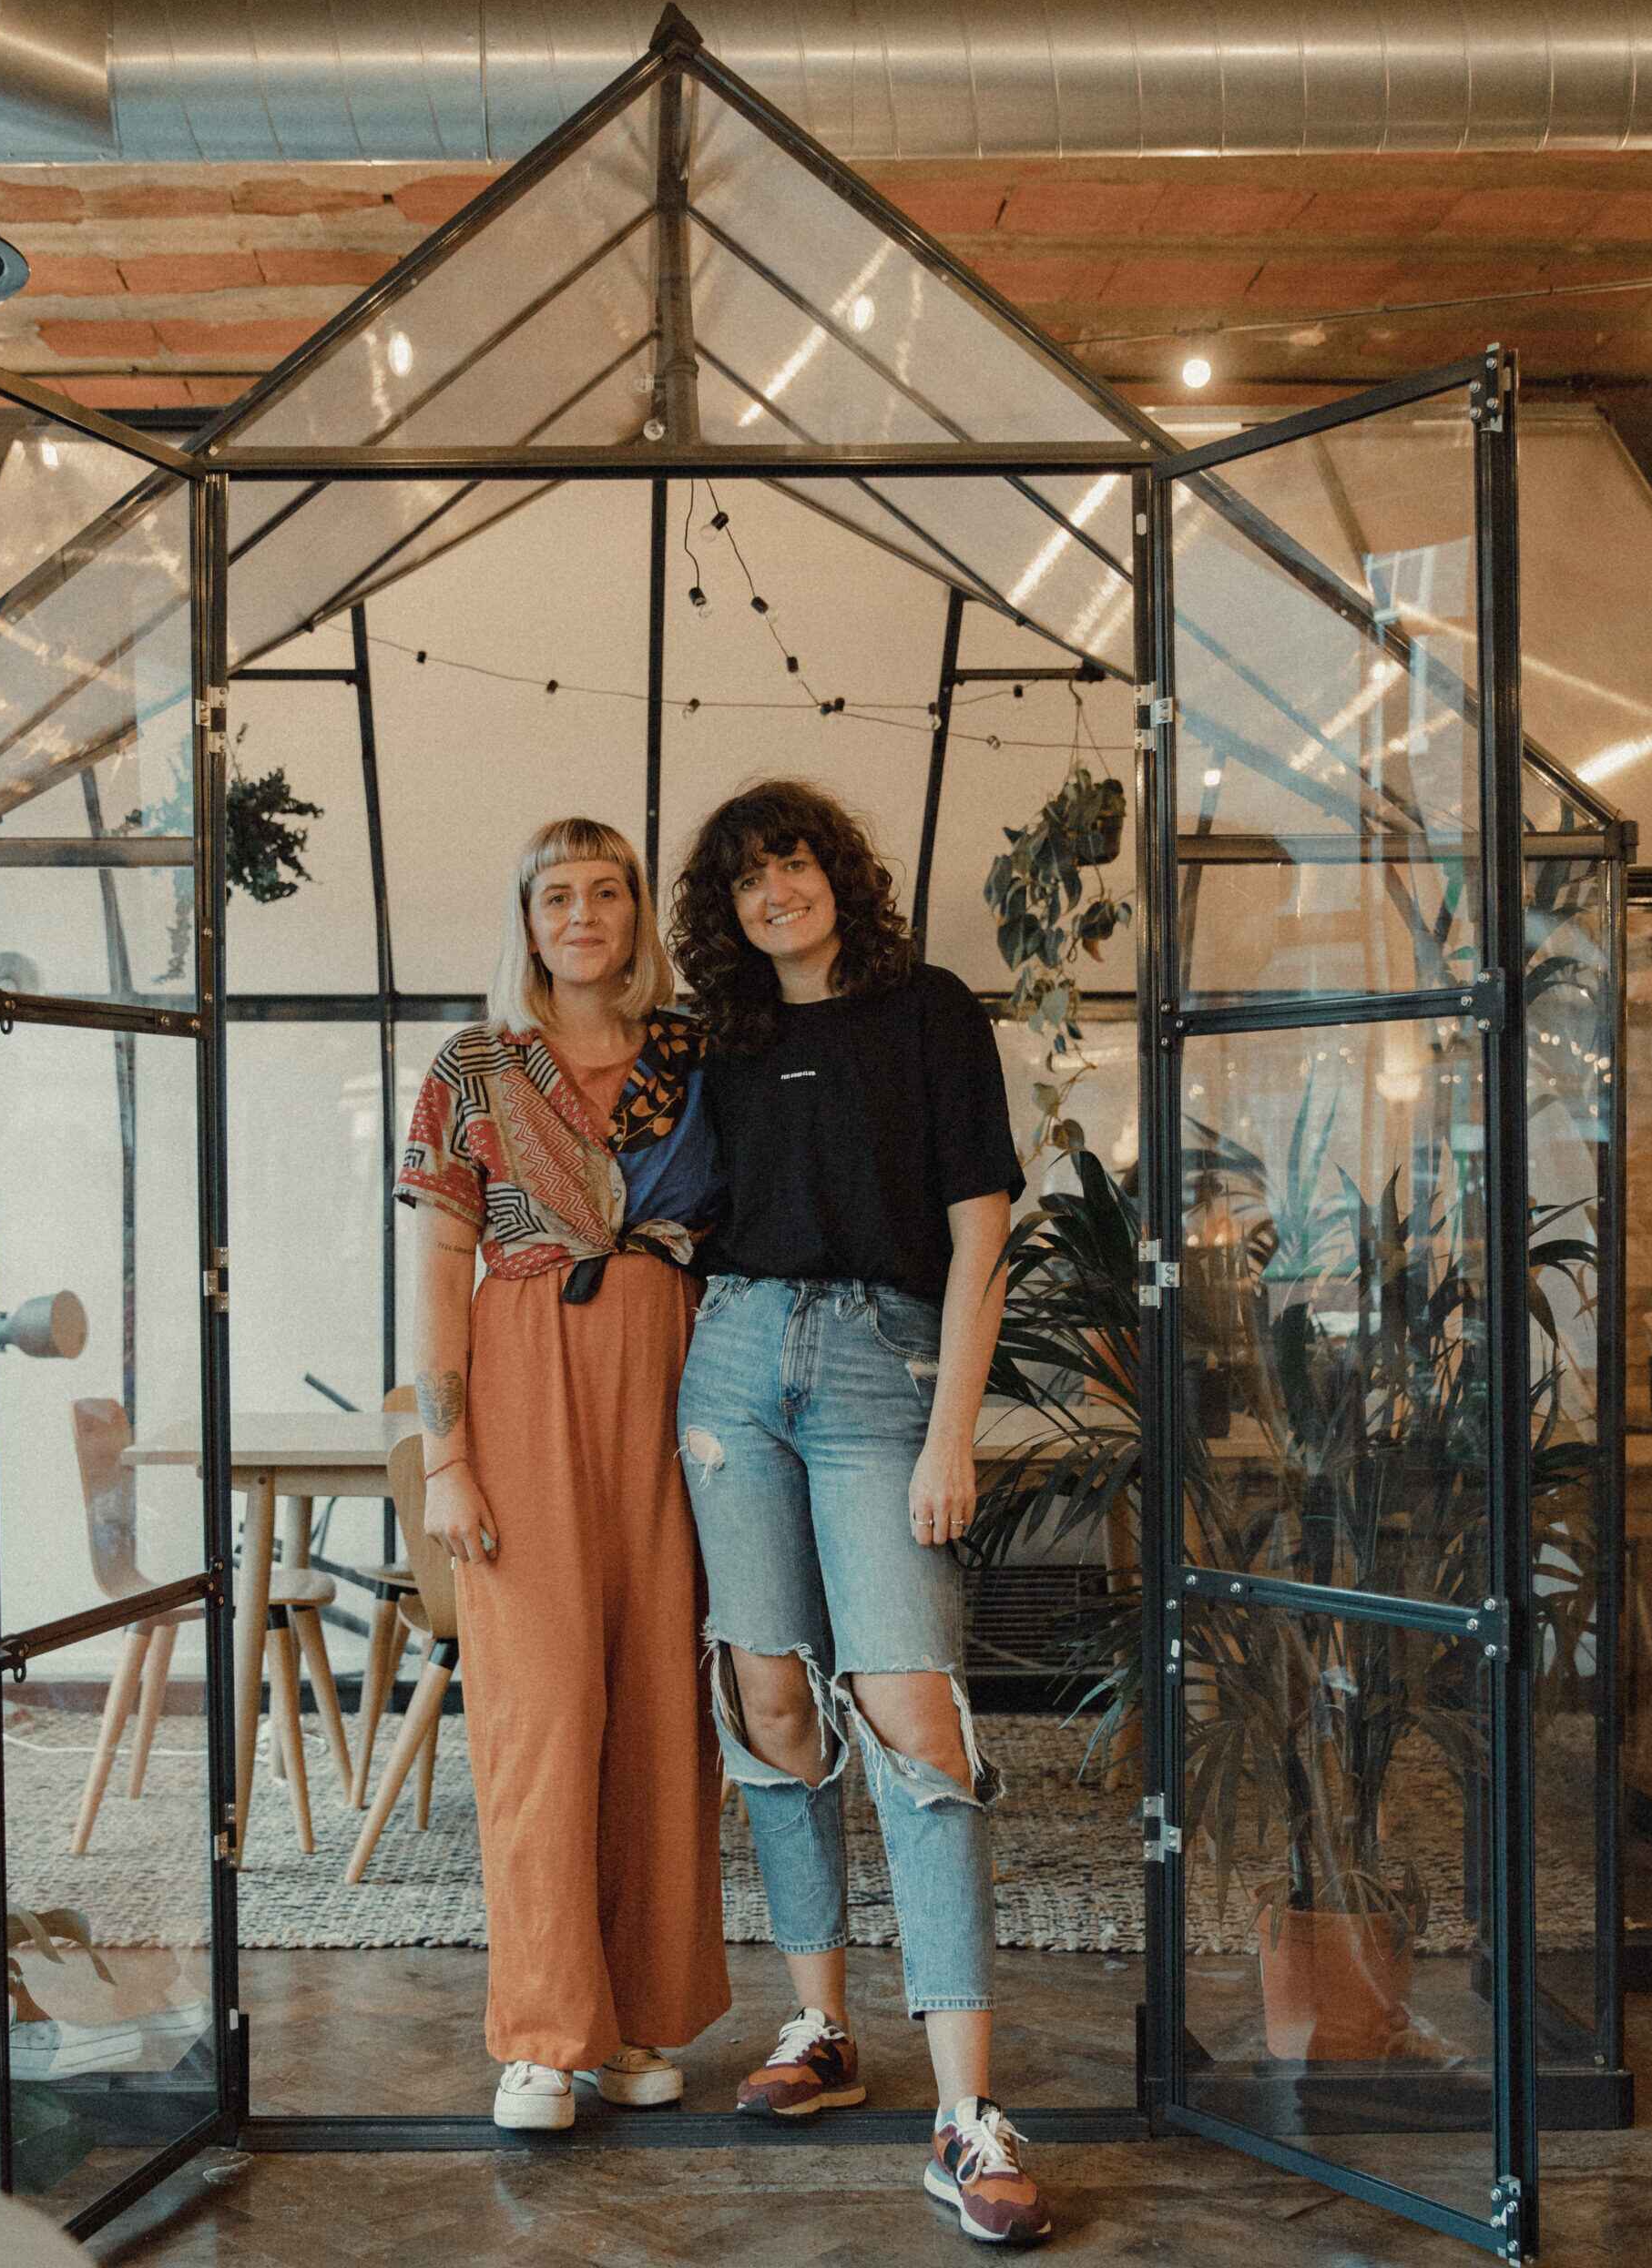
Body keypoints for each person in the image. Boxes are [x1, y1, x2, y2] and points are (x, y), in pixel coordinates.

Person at [669, 778, 1051, 2247]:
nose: (777, 892)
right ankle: (817, 2026)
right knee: (767, 1696)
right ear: (729, 910)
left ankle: (966, 2113)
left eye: (795, 864)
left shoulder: (928, 1010)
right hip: (733, 1364)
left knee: (914, 1718)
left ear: (838, 874)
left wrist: (951, 1430)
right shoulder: (723, 1038)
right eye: (749, 879)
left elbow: (980, 1233)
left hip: (884, 1375)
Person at [394, 815, 729, 2132]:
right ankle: (541, 2032)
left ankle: (640, 2021)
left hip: (677, 1381)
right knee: (539, 1722)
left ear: (637, 914)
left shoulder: (700, 1056)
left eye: (607, 893)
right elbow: (435, 1261)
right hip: (523, 1375)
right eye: (556, 896)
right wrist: (447, 1456)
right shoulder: (475, 1065)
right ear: (524, 920)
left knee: (659, 1708)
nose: (582, 915)